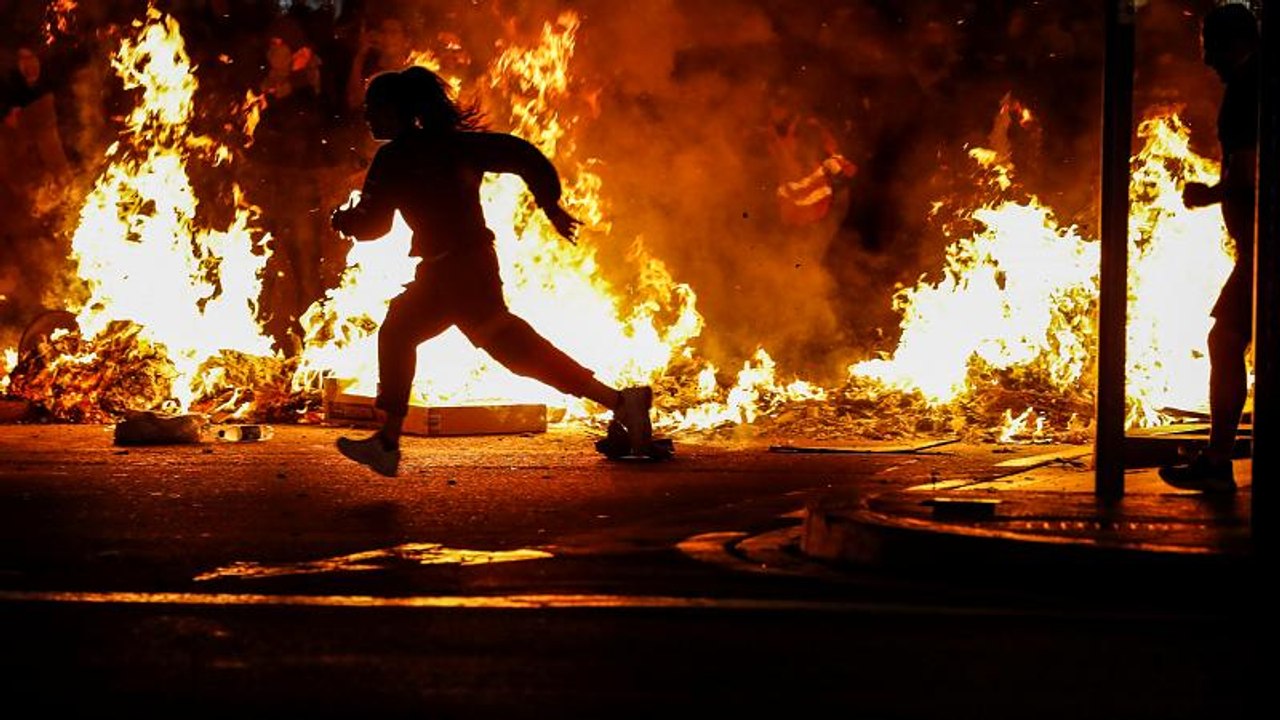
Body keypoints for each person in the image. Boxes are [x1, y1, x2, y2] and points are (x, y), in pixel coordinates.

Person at [329, 66, 655, 477]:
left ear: (399, 110)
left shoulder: (394, 157)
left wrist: (344, 221)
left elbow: (374, 226)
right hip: (460, 266)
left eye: (374, 108)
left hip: (457, 272)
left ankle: (621, 402)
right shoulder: (459, 145)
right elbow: (525, 156)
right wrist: (549, 204)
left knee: (506, 348)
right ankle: (387, 442)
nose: (368, 117)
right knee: (407, 332)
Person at [1159, 3, 1259, 494]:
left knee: (1224, 341)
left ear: (1236, 41)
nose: (1206, 60)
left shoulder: (1246, 90)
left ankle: (1219, 461)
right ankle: (1218, 458)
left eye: (1211, 46)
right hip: (1256, 247)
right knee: (1228, 341)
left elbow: (1247, 173)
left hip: (1263, 250)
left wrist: (1207, 195)